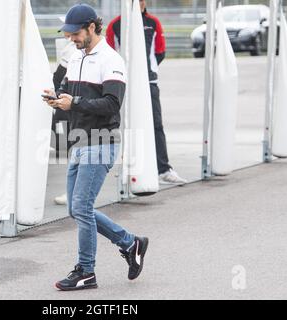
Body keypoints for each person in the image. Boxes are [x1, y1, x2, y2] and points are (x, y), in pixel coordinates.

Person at [43, 4, 149, 291]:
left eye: (75, 33)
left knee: (81, 207)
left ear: (91, 27)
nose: (71, 39)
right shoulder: (77, 57)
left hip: (101, 141)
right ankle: (130, 242)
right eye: (68, 34)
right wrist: (57, 98)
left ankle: (86, 272)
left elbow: (112, 104)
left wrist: (74, 103)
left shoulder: (111, 59)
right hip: (80, 141)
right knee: (77, 210)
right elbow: (73, 96)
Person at [106, 0, 187, 185]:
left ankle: (164, 170)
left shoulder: (153, 22)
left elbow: (160, 51)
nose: (140, 3)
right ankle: (128, 167)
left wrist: (145, 73)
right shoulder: (115, 25)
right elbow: (110, 53)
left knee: (156, 125)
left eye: (142, 0)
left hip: (149, 82)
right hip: (123, 84)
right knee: (124, 125)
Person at [52, 37, 77, 206]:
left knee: (73, 148)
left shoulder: (72, 48)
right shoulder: (71, 46)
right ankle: (74, 192)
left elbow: (60, 75)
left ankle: (74, 193)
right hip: (68, 103)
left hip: (69, 104)